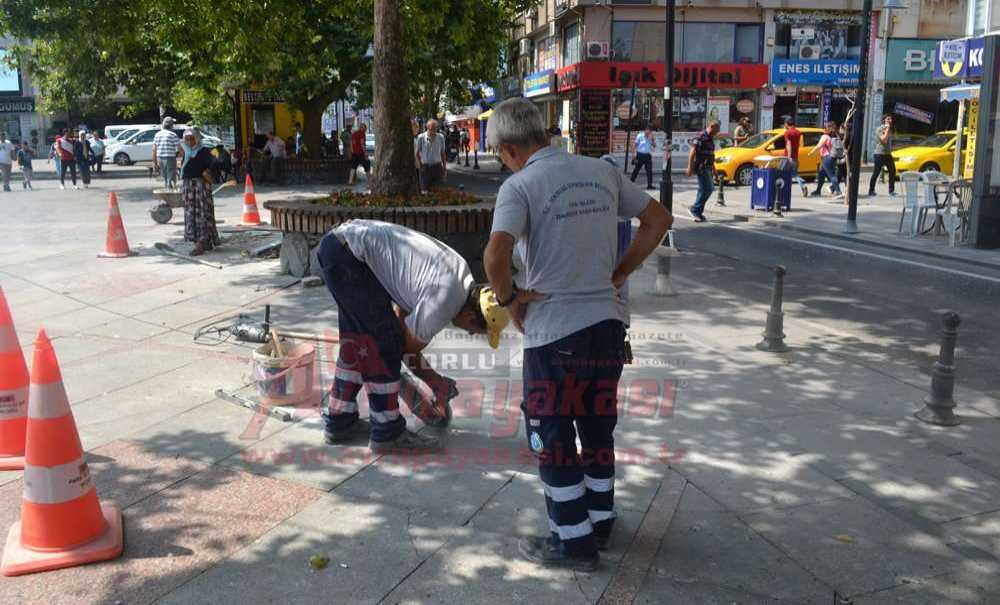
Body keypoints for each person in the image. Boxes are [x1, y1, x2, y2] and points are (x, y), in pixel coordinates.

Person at [483, 97, 672, 571]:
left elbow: (495, 255)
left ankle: (573, 542)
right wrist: (621, 271)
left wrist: (509, 301)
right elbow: (659, 219)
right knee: (596, 427)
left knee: (551, 435)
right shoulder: (600, 171)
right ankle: (600, 521)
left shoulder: (519, 186)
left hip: (554, 335)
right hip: (608, 329)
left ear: (508, 149)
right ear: (543, 134)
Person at [315, 219, 508, 452]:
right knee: (382, 346)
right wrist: (433, 381)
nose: (468, 332)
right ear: (470, 316)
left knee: (358, 344)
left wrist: (420, 376)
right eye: (474, 330)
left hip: (340, 247)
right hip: (351, 257)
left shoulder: (460, 273)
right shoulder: (447, 299)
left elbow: (402, 314)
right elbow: (404, 348)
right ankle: (388, 432)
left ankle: (340, 420)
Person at [179, 129, 221, 256]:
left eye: (192, 139)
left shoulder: (204, 151)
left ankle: (202, 243)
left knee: (203, 213)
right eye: (187, 139)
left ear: (197, 138)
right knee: (191, 214)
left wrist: (206, 172)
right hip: (189, 188)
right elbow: (185, 170)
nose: (190, 141)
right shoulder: (186, 152)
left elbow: (215, 163)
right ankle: (199, 242)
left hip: (200, 187)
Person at [687, 120, 720, 223]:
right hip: (701, 167)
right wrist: (690, 167)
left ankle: (698, 211)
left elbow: (710, 156)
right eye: (717, 130)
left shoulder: (710, 139)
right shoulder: (701, 137)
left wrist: (715, 171)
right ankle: (695, 209)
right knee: (708, 188)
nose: (717, 132)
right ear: (711, 126)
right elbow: (692, 153)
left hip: (708, 167)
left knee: (704, 189)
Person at [809, 121, 843, 199]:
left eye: (825, 127)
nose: (824, 129)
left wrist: (811, 153)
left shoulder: (825, 137)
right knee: (821, 174)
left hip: (826, 158)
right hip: (830, 158)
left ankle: (838, 192)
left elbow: (819, 146)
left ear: (828, 128)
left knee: (831, 175)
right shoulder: (831, 137)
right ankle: (818, 191)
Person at [869, 114, 897, 197]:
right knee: (876, 173)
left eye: (891, 119)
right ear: (884, 120)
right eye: (888, 119)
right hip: (879, 154)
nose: (890, 121)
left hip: (888, 154)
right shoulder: (880, 129)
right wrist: (887, 128)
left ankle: (891, 191)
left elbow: (891, 140)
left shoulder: (890, 130)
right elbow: (884, 140)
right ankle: (871, 190)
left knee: (892, 171)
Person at [415, 119, 447, 191]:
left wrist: (444, 169)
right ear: (427, 128)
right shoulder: (421, 137)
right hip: (425, 167)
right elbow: (417, 154)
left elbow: (443, 154)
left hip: (437, 167)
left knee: (438, 191)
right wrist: (420, 165)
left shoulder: (441, 137)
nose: (434, 130)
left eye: (435, 128)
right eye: (432, 128)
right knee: (425, 190)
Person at [783, 116, 809, 199]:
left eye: (784, 124)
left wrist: (789, 157)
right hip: (795, 157)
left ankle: (783, 190)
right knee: (795, 175)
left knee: (783, 173)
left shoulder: (787, 133)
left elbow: (788, 144)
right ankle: (803, 185)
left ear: (787, 124)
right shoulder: (798, 132)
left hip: (789, 157)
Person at [153, 117, 180, 189]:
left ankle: (167, 190)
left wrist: (155, 163)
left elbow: (154, 150)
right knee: (171, 178)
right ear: (171, 125)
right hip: (170, 158)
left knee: (165, 177)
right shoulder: (173, 135)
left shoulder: (157, 135)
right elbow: (179, 149)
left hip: (160, 158)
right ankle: (170, 194)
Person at [630, 126, 656, 190]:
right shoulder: (640, 136)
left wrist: (652, 139)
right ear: (645, 130)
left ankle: (649, 185)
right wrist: (634, 154)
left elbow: (654, 146)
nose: (648, 133)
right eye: (648, 131)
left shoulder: (651, 137)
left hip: (647, 155)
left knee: (649, 171)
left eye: (650, 131)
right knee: (637, 169)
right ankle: (630, 183)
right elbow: (634, 145)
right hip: (640, 155)